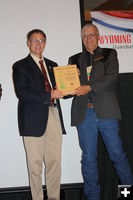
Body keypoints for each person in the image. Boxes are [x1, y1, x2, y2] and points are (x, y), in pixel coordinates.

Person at [68, 23, 133, 200]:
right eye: (84, 36)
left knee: (117, 155)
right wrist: (64, 88)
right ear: (82, 39)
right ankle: (93, 198)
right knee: (88, 158)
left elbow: (112, 78)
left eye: (91, 35)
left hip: (106, 112)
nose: (88, 39)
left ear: (98, 37)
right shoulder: (73, 59)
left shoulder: (109, 54)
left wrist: (88, 87)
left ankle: (127, 194)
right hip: (84, 113)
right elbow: (71, 85)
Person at [13, 29, 65, 200]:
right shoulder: (20, 65)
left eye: (41, 40)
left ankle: (54, 198)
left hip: (53, 114)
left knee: (54, 162)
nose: (38, 43)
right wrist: (50, 95)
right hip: (32, 119)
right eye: (34, 40)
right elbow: (22, 93)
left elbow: (61, 91)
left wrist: (73, 85)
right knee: (35, 166)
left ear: (45, 43)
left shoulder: (53, 64)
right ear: (28, 43)